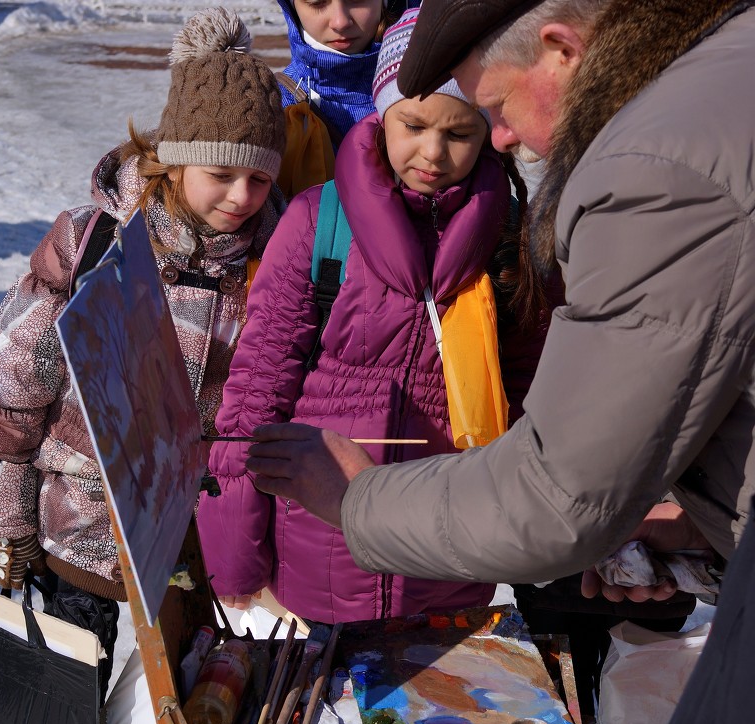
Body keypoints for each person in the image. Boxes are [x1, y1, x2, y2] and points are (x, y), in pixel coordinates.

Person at [243, 0, 754, 724]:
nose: (504, 142)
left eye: (490, 115)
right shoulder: (722, 78)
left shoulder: (644, 170)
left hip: (448, 547)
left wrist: (355, 501)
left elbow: (559, 487)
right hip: (346, 567)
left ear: (560, 50)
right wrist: (695, 523)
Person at [0, 6, 286, 711]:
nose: (241, 198)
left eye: (259, 181)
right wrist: (6, 523)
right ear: (174, 155)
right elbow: (15, 381)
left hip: (188, 559)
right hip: (73, 543)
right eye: (221, 174)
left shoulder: (274, 265)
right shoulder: (96, 245)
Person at [197, 7, 553, 625]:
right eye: (413, 125)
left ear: (491, 130)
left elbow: (527, 402)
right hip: (316, 555)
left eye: (459, 133)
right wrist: (235, 560)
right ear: (381, 114)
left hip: (451, 555)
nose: (432, 153)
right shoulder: (318, 225)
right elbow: (255, 398)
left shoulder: (509, 243)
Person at [276, 0, 408, 144]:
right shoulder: (276, 107)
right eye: (317, 2)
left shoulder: (429, 90)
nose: (340, 22)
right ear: (293, 8)